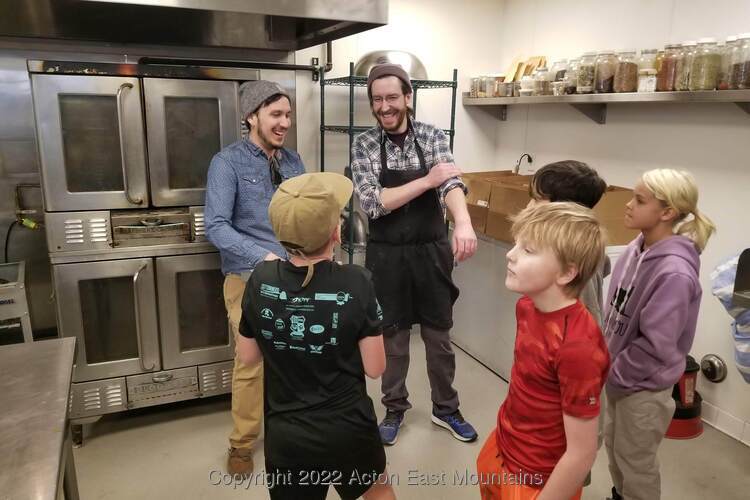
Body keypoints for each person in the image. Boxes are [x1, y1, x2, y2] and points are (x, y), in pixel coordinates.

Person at [235, 172, 396, 500]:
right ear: (335, 232)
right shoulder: (356, 282)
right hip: (348, 428)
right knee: (378, 493)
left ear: (279, 232)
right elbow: (376, 367)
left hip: (287, 433)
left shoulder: (260, 279)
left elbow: (248, 356)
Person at [350, 63, 478, 445]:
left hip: (431, 252)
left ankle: (446, 409)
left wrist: (464, 222)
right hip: (387, 256)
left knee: (439, 337)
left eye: (391, 97)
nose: (385, 106)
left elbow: (450, 183)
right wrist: (427, 180)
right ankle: (394, 408)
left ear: (408, 97)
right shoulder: (365, 144)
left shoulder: (432, 135)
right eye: (377, 99)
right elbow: (374, 203)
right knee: (394, 340)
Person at [205, 80, 305, 477]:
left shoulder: (294, 162)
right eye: (276, 115)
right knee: (252, 362)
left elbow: (303, 214)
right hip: (249, 279)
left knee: (297, 359)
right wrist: (261, 255)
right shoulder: (226, 163)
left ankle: (292, 429)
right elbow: (215, 225)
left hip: (297, 275)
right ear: (251, 116)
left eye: (288, 115)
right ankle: (242, 444)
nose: (285, 123)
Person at [477, 202, 610, 500]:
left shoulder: (579, 347)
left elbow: (581, 453)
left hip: (537, 477)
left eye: (528, 250)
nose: (510, 255)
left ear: (566, 273)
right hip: (503, 445)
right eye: (516, 244)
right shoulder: (527, 306)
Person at [603, 169, 715, 500]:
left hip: (643, 388)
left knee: (636, 462)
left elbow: (656, 347)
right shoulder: (634, 249)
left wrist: (613, 371)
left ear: (666, 213)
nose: (627, 205)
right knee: (614, 448)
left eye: (639, 200)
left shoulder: (674, 273)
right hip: (617, 378)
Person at [527, 160, 610, 488]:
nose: (530, 205)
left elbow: (583, 335)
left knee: (562, 473)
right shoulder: (556, 252)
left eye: (538, 199)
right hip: (546, 388)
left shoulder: (576, 265)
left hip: (567, 395)